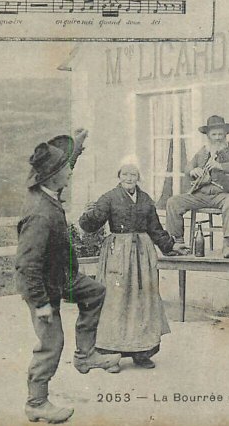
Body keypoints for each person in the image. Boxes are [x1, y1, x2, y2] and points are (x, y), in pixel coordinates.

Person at [14, 132, 120, 424]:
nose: (71, 172)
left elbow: (62, 167)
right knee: (52, 343)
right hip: (43, 288)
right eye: (66, 169)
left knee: (95, 292)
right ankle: (36, 402)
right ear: (52, 177)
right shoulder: (39, 215)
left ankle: (85, 356)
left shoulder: (46, 192)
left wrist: (77, 147)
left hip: (62, 277)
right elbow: (27, 264)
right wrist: (40, 304)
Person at [78, 158, 177, 372]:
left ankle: (142, 353)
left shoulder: (145, 199)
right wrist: (88, 215)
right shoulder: (109, 198)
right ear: (119, 177)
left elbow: (155, 228)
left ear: (138, 178)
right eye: (125, 174)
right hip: (118, 254)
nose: (129, 178)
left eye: (133, 175)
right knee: (116, 300)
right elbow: (91, 224)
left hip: (142, 254)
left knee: (143, 300)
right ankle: (110, 355)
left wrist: (169, 246)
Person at [165, 115, 229, 258]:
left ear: (225, 135)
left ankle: (228, 244)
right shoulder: (202, 152)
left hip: (223, 195)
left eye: (220, 134)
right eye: (213, 134)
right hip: (201, 195)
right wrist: (192, 171)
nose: (217, 138)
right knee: (173, 202)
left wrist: (220, 166)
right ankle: (178, 243)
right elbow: (188, 167)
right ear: (208, 136)